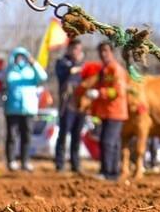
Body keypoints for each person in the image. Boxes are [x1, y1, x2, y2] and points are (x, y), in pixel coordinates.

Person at [2, 47, 48, 172]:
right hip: (12, 109)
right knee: (11, 135)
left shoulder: (31, 71)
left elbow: (43, 77)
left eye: (23, 56)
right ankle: (11, 161)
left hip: (29, 109)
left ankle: (25, 161)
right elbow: (2, 77)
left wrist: (34, 63)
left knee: (26, 136)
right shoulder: (10, 70)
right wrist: (10, 65)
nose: (20, 59)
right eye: (18, 56)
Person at [88, 42, 128, 180]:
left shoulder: (115, 70)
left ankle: (109, 173)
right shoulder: (104, 70)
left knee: (108, 142)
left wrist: (100, 93)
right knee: (110, 142)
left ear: (111, 52)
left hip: (115, 112)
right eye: (101, 51)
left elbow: (118, 91)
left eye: (105, 50)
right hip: (105, 112)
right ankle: (110, 171)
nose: (103, 54)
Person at [54, 39, 86, 173]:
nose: (77, 52)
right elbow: (66, 72)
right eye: (74, 49)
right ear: (69, 49)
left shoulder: (84, 65)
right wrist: (77, 68)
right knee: (63, 133)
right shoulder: (62, 63)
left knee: (77, 135)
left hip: (81, 104)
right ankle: (60, 163)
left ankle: (75, 163)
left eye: (79, 49)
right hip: (67, 104)